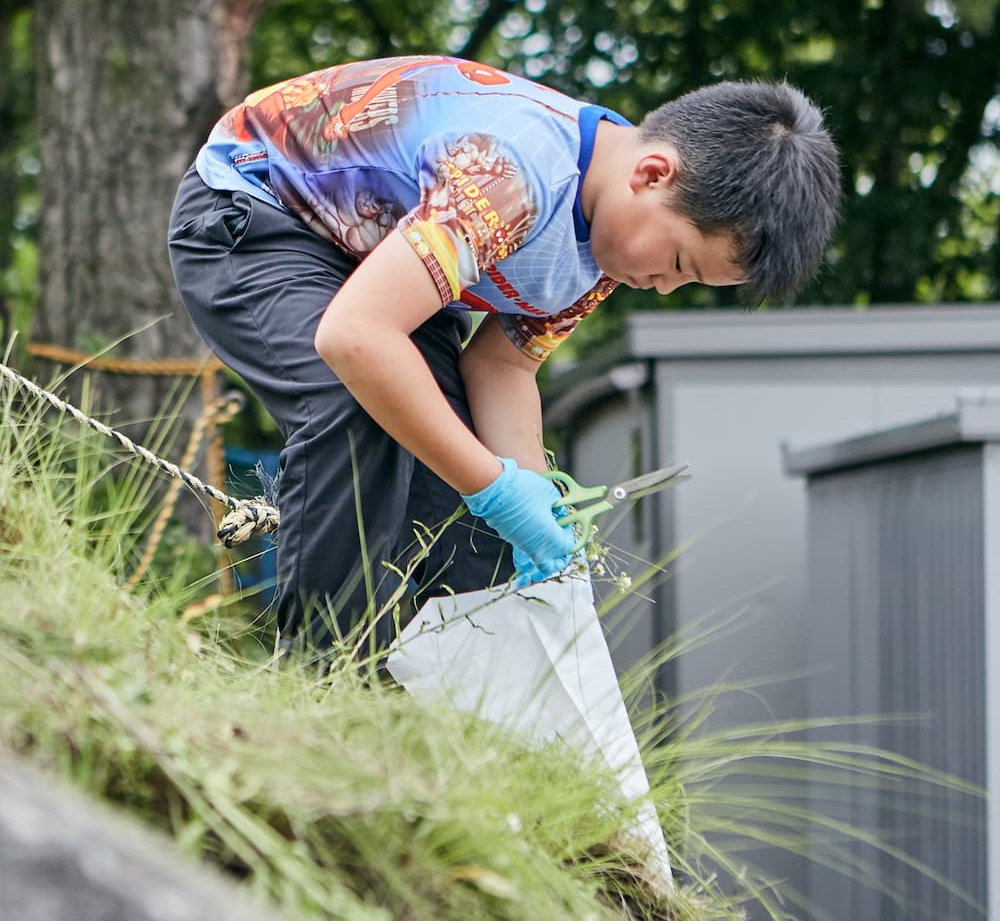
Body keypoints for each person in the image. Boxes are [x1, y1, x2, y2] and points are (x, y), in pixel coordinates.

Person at [167, 55, 839, 658]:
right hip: (256, 213)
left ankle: (459, 718)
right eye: (678, 262)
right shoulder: (515, 177)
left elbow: (502, 364)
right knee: (362, 408)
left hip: (379, 262)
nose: (665, 285)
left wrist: (526, 500)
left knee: (460, 502)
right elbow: (356, 337)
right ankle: (319, 681)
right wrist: (492, 483)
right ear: (654, 173)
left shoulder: (604, 250)